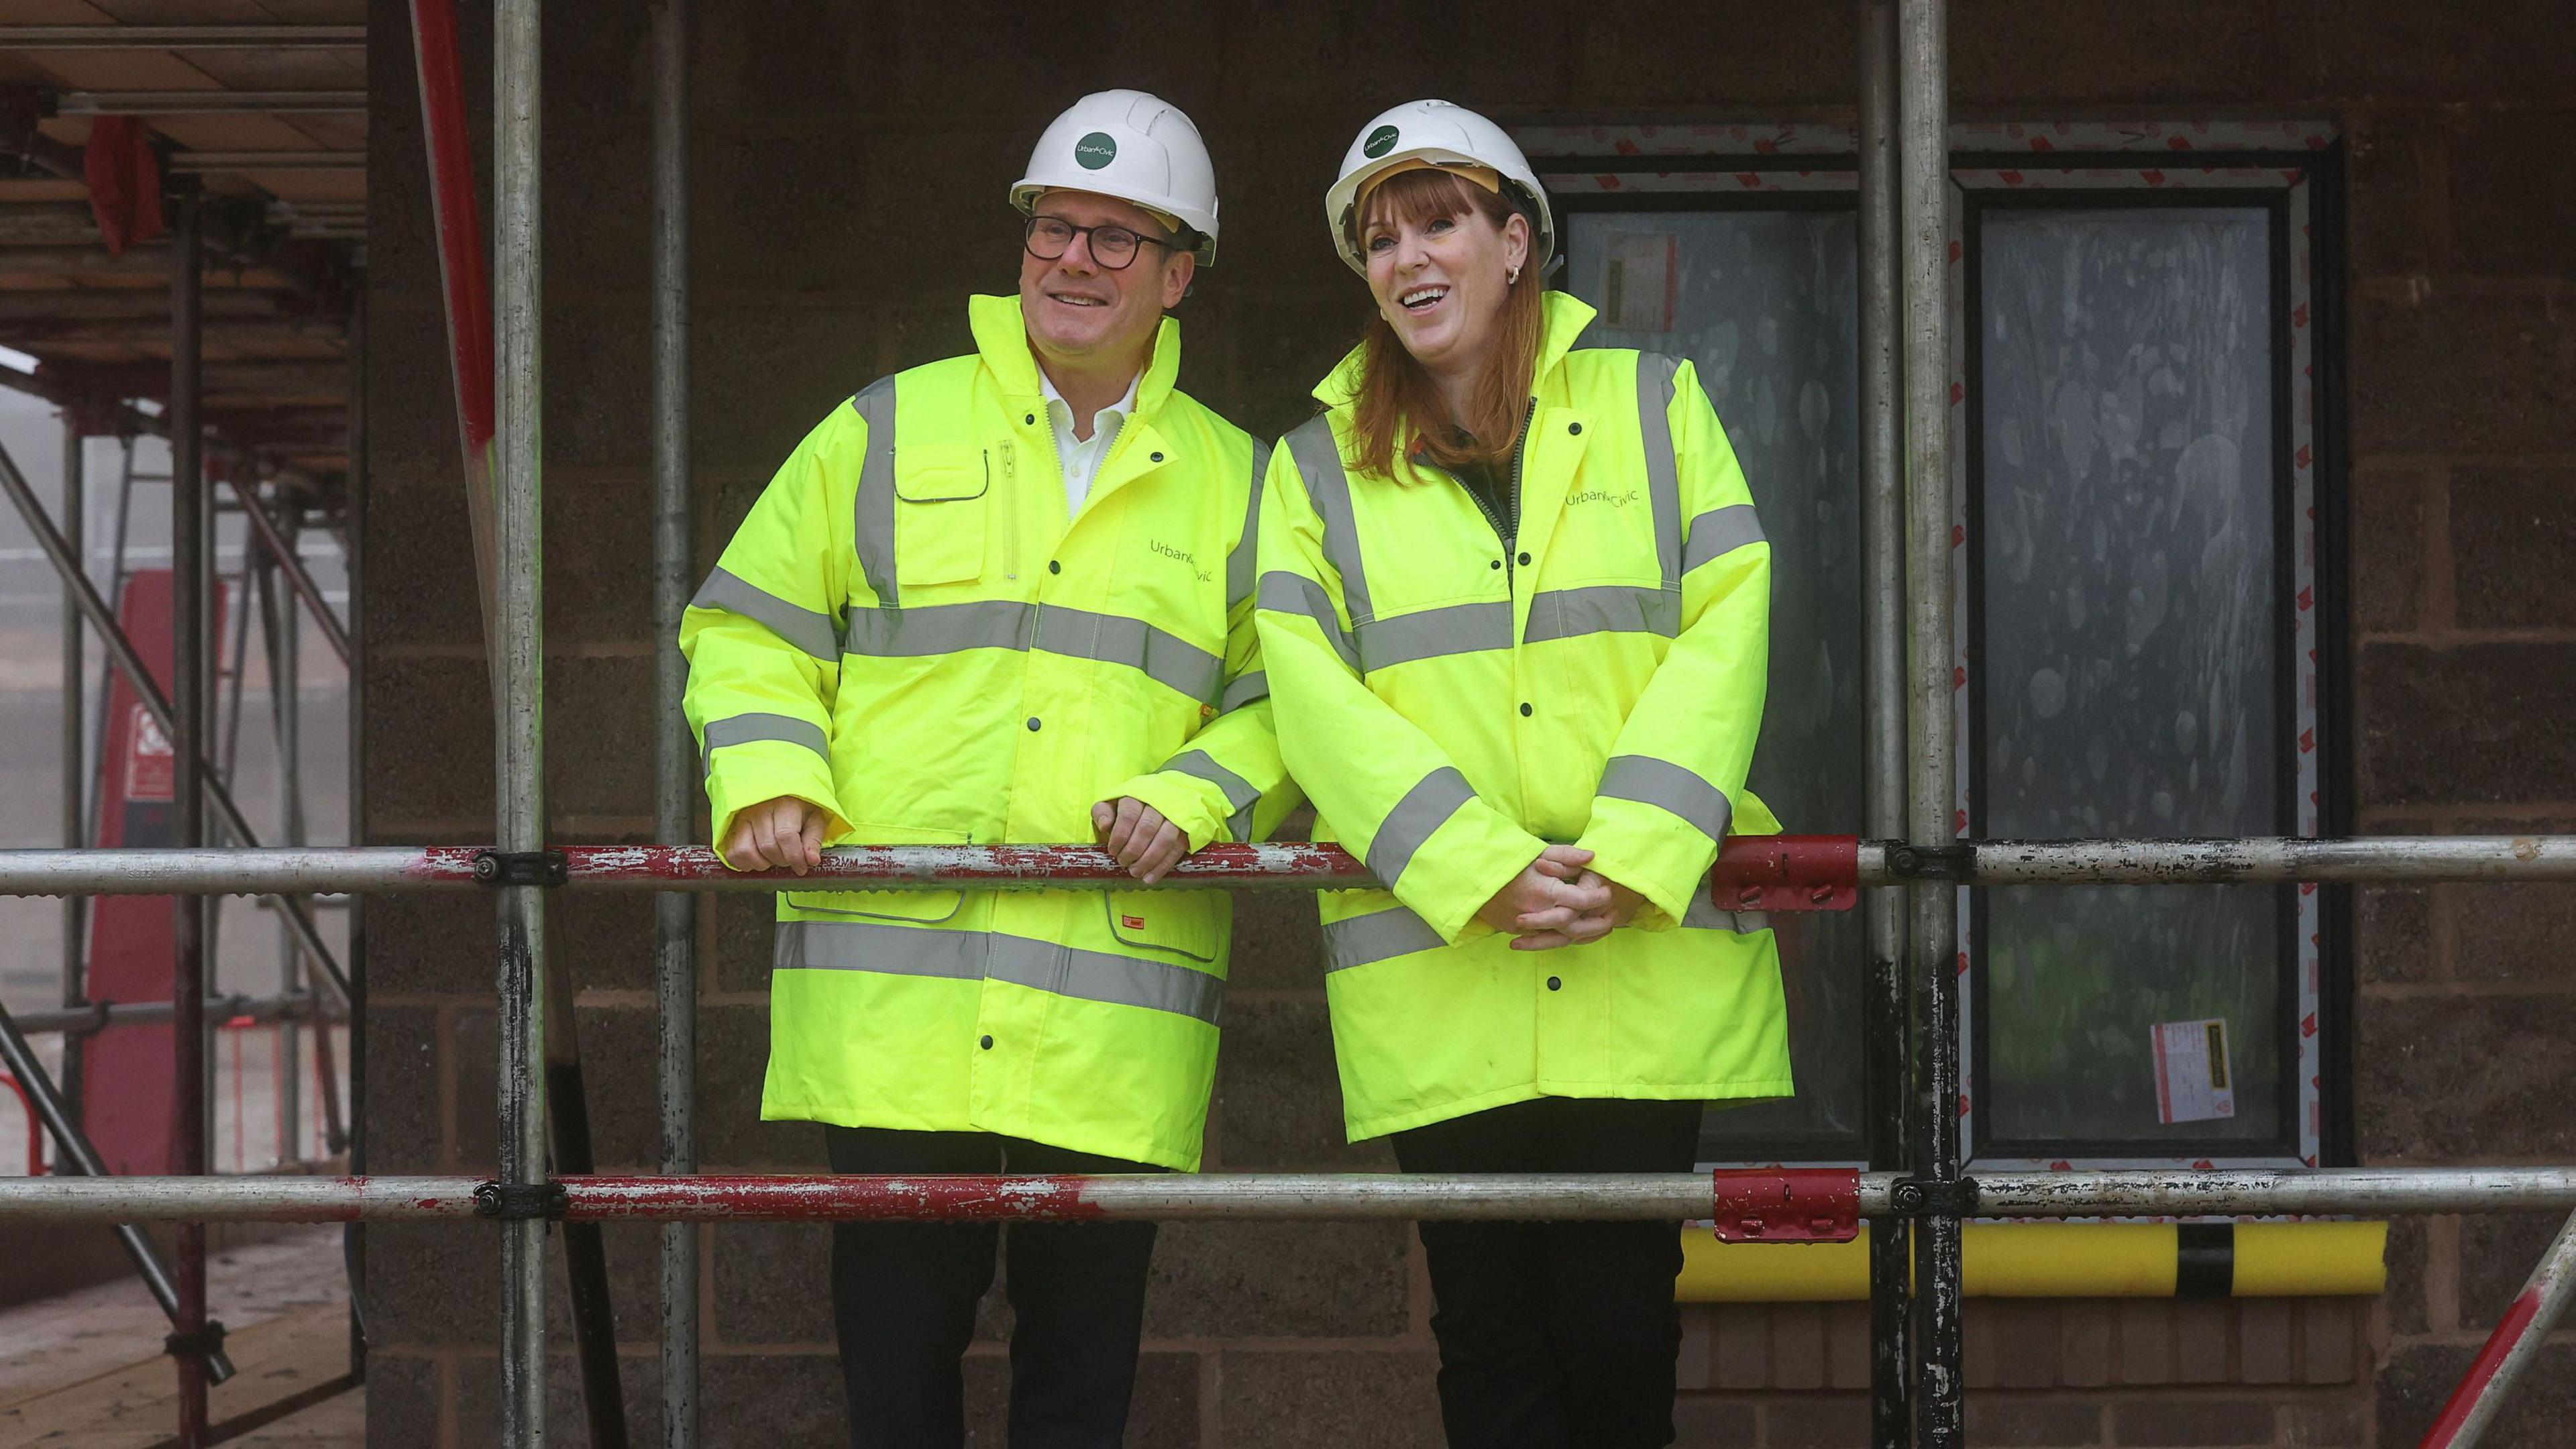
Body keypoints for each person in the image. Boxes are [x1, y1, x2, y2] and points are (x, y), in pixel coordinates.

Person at [680, 89, 1292, 1449]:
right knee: (895, 1378)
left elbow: (1294, 701)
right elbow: (747, 626)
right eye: (1052, 230)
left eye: (1115, 239)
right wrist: (772, 772)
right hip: (896, 1019)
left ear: (1180, 273)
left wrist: (1195, 796)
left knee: (1081, 1387)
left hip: (1108, 1026)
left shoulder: (1247, 486)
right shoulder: (885, 430)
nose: (1071, 260)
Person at [1254, 99, 1790, 1448]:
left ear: (1515, 243)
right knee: (1489, 1342)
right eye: (1379, 240)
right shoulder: (1316, 467)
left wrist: (1634, 851)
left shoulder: (1658, 405)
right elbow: (1307, 693)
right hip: (1449, 975)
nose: (1408, 260)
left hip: (1638, 956)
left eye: (1438, 223)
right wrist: (1478, 871)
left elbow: (1729, 621)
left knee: (1619, 1328)